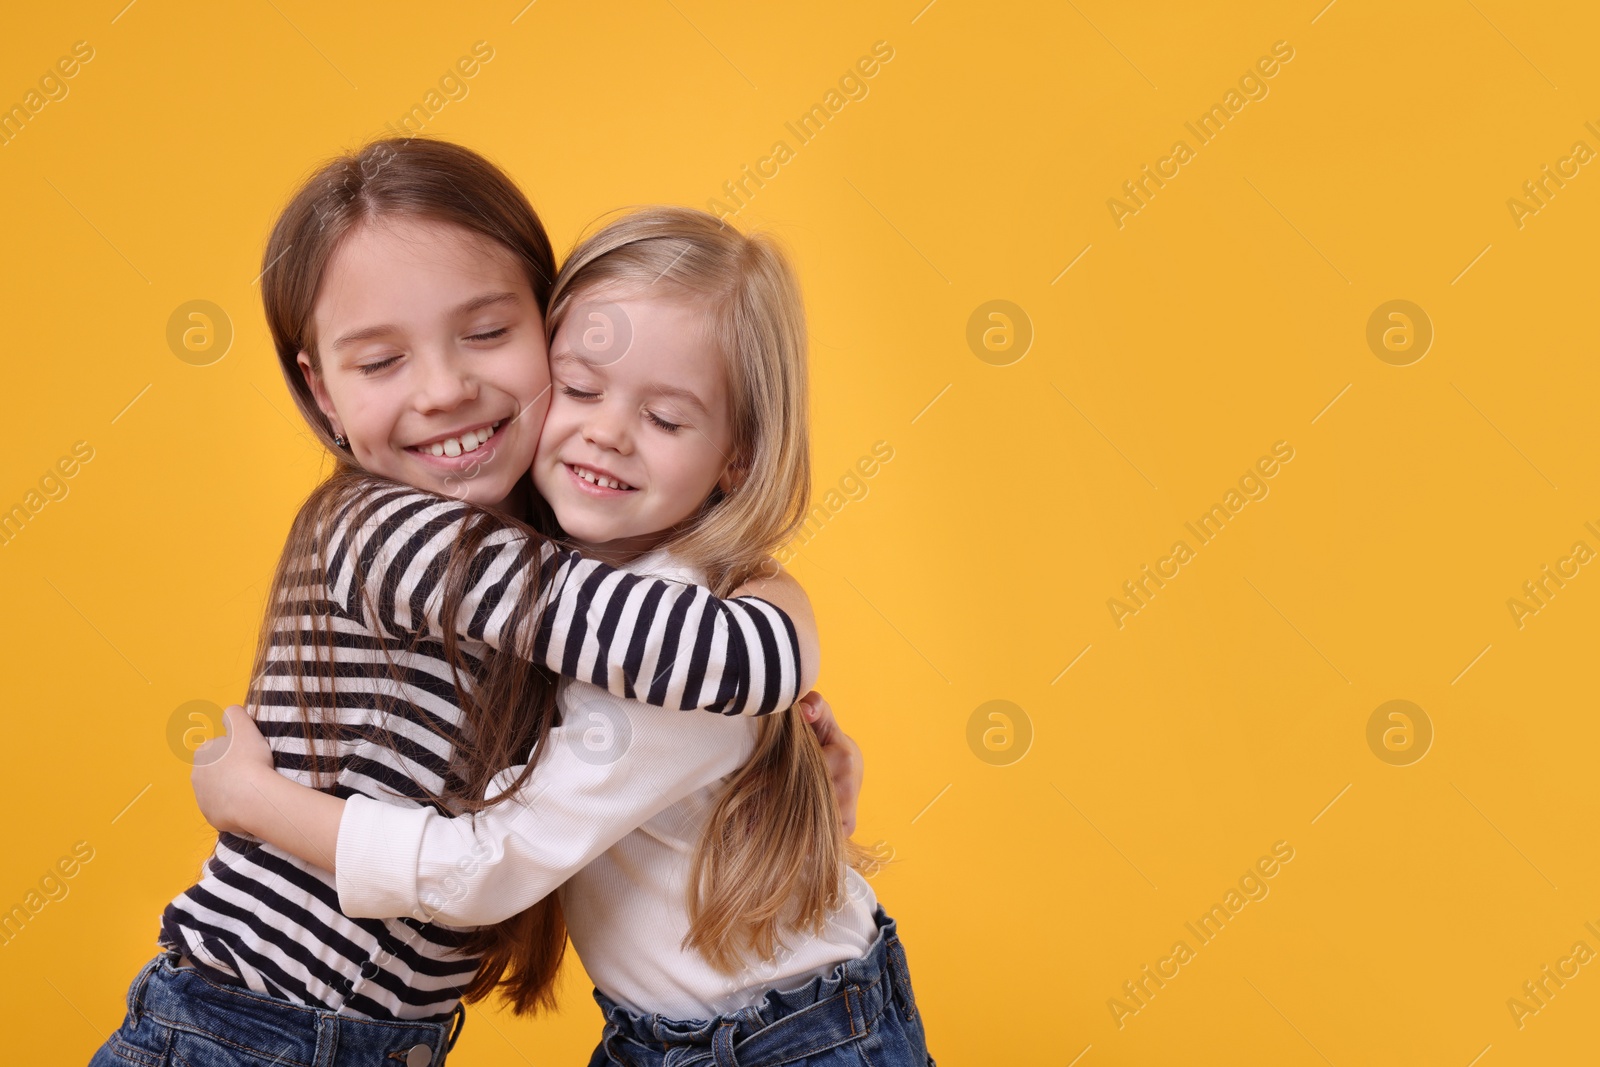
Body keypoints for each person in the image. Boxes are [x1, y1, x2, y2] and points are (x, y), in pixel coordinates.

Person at [88, 139, 856, 1067]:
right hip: (246, 1025)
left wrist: (769, 785)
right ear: (320, 392)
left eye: (487, 334)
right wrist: (251, 801)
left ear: (549, 322)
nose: (445, 389)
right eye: (379, 362)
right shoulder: (393, 533)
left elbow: (675, 681)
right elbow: (739, 659)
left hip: (365, 1036)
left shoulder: (551, 546)